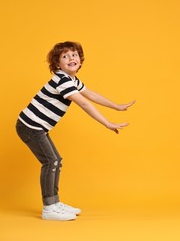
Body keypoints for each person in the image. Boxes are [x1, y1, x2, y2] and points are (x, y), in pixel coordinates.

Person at [16, 41, 135, 221]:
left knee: (56, 161)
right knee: (51, 161)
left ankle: (54, 203)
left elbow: (91, 95)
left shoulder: (72, 80)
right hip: (30, 126)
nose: (71, 58)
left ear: (80, 59)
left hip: (38, 126)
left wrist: (116, 106)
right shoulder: (62, 80)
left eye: (74, 55)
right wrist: (107, 123)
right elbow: (85, 103)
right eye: (65, 56)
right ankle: (49, 207)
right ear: (57, 64)